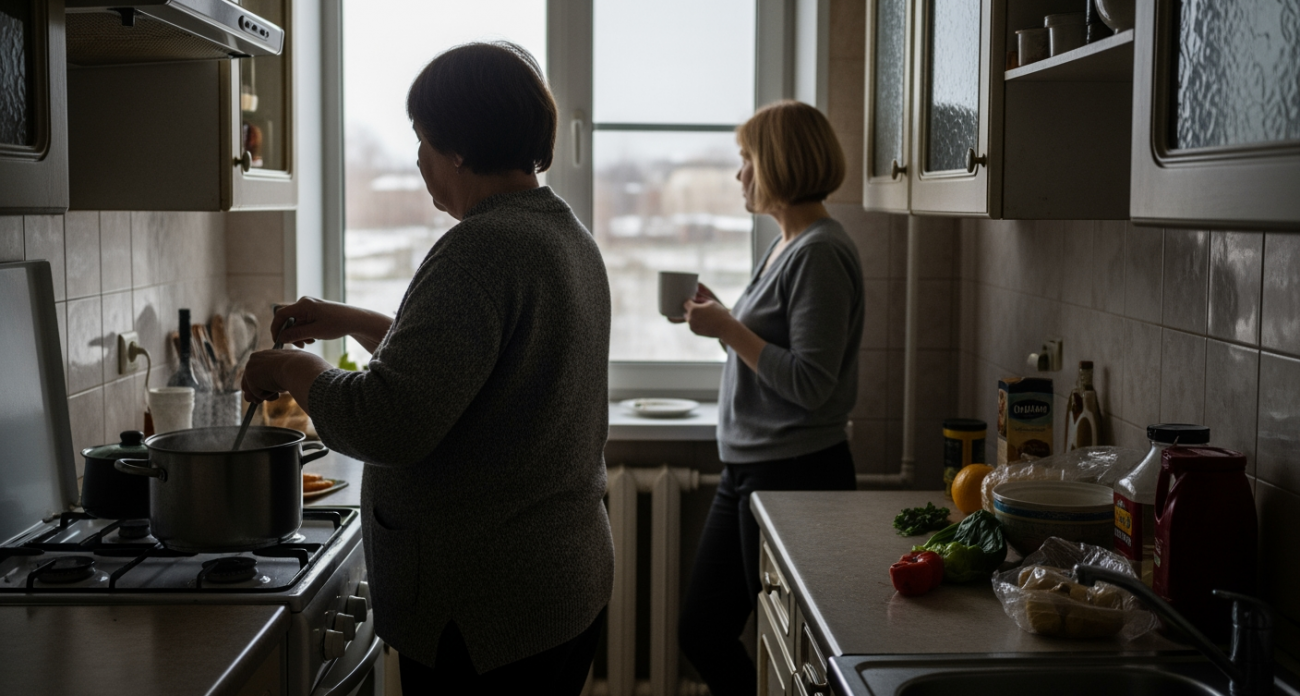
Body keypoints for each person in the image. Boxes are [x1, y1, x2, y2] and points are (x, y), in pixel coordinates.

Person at [240, 42, 613, 695]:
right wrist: (354, 320)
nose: (417, 159)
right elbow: (481, 371)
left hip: (485, 608)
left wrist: (289, 365)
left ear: (459, 149)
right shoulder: (561, 231)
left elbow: (389, 423)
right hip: (553, 584)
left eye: (422, 138)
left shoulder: (481, 247)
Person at [675, 100, 864, 696]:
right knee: (703, 631)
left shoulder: (820, 254)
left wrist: (729, 329)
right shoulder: (787, 245)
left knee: (787, 646)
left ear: (779, 164)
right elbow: (772, 353)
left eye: (747, 159)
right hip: (753, 470)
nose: (740, 175)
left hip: (795, 472)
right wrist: (726, 320)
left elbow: (811, 383)